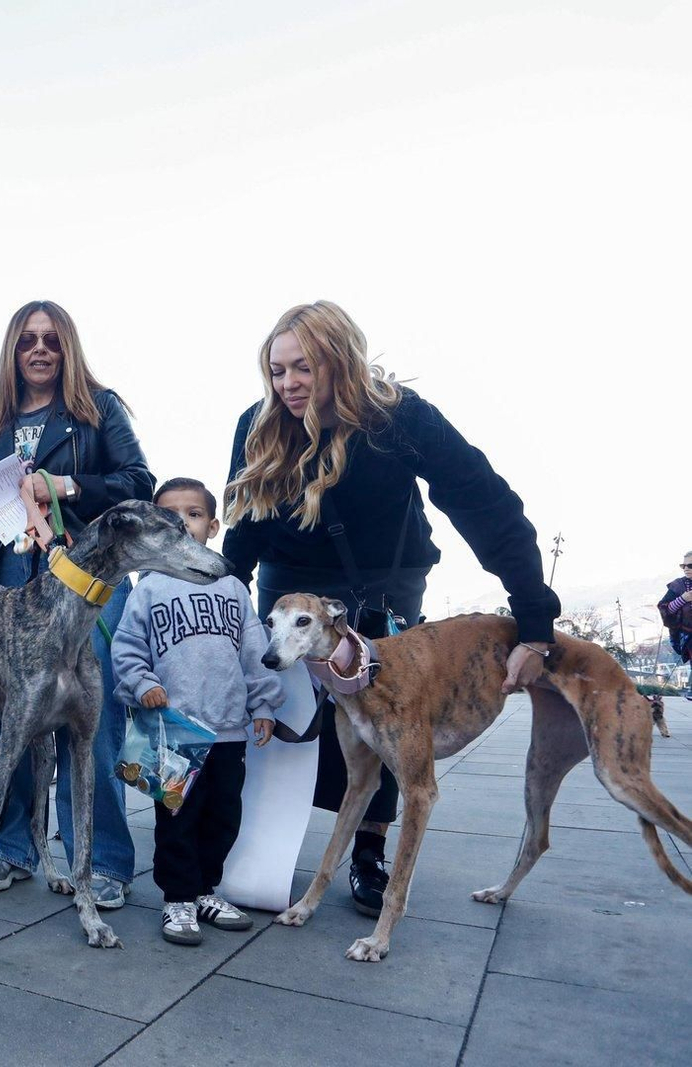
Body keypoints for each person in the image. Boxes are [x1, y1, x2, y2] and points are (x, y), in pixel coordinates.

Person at [221, 300, 560, 917]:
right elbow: (242, 528)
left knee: (387, 717)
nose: (288, 384)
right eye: (277, 370)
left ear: (340, 360)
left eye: (304, 367)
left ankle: (369, 850)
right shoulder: (260, 422)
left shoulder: (399, 417)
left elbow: (487, 507)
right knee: (281, 713)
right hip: (290, 582)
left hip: (383, 586)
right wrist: (228, 604)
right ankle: (266, 846)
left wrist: (535, 624)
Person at [0, 300, 154, 907]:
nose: (40, 349)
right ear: (13, 350)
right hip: (8, 586)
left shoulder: (98, 410)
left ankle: (101, 861)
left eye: (51, 339)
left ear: (67, 346)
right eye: (27, 340)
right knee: (4, 723)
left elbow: (138, 483)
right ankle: (13, 848)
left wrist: (67, 485)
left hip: (83, 584)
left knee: (92, 728)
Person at [112, 478, 282, 944]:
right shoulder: (148, 588)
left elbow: (254, 651)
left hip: (228, 729)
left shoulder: (232, 587)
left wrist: (263, 704)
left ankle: (206, 890)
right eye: (170, 517)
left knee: (223, 817)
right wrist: (143, 684)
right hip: (173, 731)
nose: (183, 524)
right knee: (176, 820)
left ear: (213, 525)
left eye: (193, 514)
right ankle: (178, 899)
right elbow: (127, 647)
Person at [657, 551, 692, 666]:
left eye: (690, 565)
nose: (686, 569)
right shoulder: (678, 585)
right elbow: (665, 609)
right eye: (683, 566)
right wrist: (683, 599)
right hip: (689, 638)